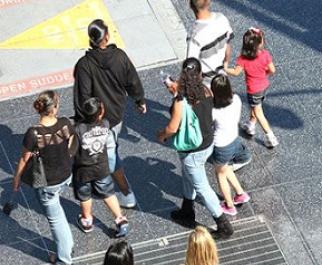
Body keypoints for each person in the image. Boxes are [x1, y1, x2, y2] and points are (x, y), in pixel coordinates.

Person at [73, 19, 146, 210]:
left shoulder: (84, 65)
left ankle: (125, 192)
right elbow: (132, 81)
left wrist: (83, 120)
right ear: (106, 36)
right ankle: (118, 189)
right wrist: (139, 100)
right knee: (110, 149)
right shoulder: (120, 56)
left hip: (94, 119)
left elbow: (83, 95)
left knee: (110, 155)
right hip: (115, 116)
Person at [158, 58, 234, 239]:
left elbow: (173, 128)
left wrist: (161, 136)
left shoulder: (180, 99)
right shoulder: (207, 90)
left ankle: (223, 225)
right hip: (207, 143)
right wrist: (176, 91)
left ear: (183, 75)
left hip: (192, 150)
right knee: (187, 175)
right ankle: (187, 210)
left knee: (202, 187)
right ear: (200, 74)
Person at [12, 91, 76, 265]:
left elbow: (24, 159)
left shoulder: (33, 133)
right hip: (65, 175)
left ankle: (64, 259)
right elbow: (71, 143)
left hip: (48, 182)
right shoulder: (65, 123)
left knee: (55, 218)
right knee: (58, 213)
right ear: (54, 108)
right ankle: (68, 245)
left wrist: (17, 178)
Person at [73, 97, 129, 237]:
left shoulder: (78, 129)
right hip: (101, 168)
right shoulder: (105, 124)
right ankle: (120, 220)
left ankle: (87, 221)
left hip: (83, 170)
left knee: (85, 195)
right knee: (108, 192)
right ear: (100, 114)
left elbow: (72, 150)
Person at [224, 28, 278, 147]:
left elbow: (236, 72)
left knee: (258, 112)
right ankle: (250, 126)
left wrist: (225, 68)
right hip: (264, 86)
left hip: (253, 90)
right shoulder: (265, 55)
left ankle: (270, 136)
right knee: (256, 106)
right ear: (260, 43)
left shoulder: (243, 58)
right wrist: (265, 74)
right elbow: (273, 70)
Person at [209, 75, 252, 216]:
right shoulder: (237, 99)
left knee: (220, 173)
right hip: (234, 139)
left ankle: (229, 205)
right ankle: (240, 194)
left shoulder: (214, 110)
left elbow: (208, 125)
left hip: (221, 145)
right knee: (226, 168)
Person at [187, 0, 233, 85]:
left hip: (206, 82)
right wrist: (225, 65)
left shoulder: (195, 36)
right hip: (222, 77)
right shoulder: (221, 18)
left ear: (191, 5)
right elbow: (228, 47)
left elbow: (191, 67)